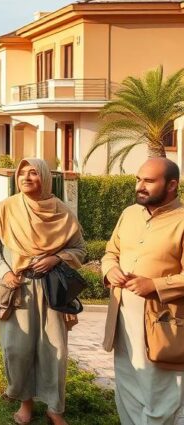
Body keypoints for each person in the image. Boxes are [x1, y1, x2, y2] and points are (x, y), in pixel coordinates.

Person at [0, 158, 85, 424]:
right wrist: (5, 272)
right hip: (18, 289)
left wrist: (57, 258)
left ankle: (55, 407)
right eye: (22, 173)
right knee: (18, 349)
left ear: (45, 177)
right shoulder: (6, 209)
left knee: (55, 351)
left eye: (33, 173)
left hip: (53, 290)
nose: (26, 177)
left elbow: (80, 249)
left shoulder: (62, 212)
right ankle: (25, 401)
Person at [102, 157, 184, 425]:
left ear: (172, 185)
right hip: (122, 320)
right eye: (138, 179)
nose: (140, 186)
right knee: (127, 389)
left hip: (162, 326)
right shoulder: (129, 214)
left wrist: (156, 285)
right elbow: (110, 252)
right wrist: (109, 269)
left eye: (149, 181)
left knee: (160, 396)